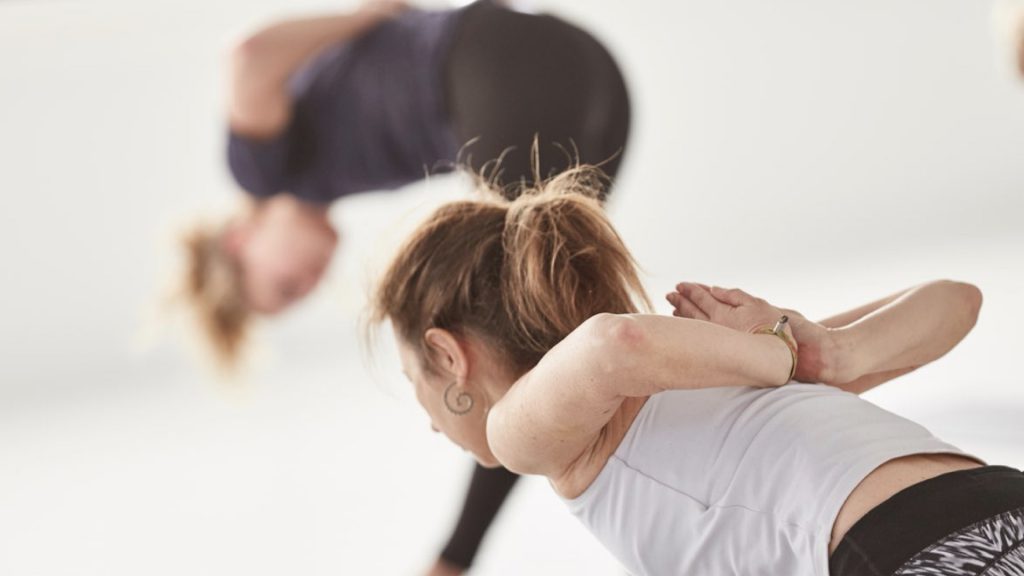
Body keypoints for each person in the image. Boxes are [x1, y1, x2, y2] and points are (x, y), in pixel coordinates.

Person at [370, 167, 1024, 575]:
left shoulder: (524, 436)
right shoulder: (728, 362)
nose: (431, 425)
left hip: (909, 548)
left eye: (414, 381)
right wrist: (826, 352)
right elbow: (956, 300)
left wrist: (785, 350)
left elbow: (613, 343)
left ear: (450, 357)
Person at [180, 2, 630, 574]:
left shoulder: (261, 168)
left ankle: (452, 560)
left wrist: (371, 12)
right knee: (551, 336)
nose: (310, 284)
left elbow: (246, 56)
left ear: (242, 241)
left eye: (285, 286)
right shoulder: (323, 162)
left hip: (497, 68)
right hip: (586, 77)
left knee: (513, 353)